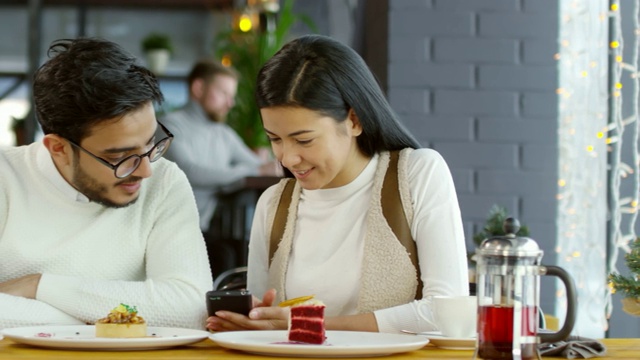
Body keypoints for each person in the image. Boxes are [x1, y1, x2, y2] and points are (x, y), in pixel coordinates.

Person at [205, 34, 468, 335]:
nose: (288, 158)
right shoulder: (274, 204)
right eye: (274, 139)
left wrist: (312, 325)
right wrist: (248, 323)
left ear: (354, 120)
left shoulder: (416, 174)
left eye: (304, 139)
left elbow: (448, 314)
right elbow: (267, 326)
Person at [0, 38, 212, 330]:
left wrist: (39, 287)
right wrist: (108, 320)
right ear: (58, 148)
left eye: (151, 144)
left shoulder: (165, 181)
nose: (147, 170)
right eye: (121, 157)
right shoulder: (5, 177)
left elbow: (191, 308)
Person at [161, 59, 281, 276]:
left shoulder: (223, 134)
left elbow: (261, 166)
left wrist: (259, 165)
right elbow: (189, 171)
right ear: (198, 88)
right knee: (229, 255)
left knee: (243, 254)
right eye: (224, 93)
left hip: (204, 229)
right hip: (169, 230)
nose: (230, 103)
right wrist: (252, 170)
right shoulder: (170, 125)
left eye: (231, 95)